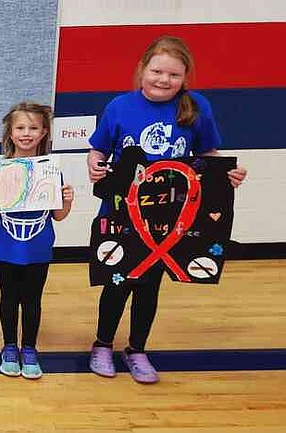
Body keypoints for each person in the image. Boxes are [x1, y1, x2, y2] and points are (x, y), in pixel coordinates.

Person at [86, 35, 248, 384]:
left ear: (185, 77)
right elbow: (98, 149)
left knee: (149, 285)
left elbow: (208, 156)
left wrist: (228, 173)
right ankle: (102, 345)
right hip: (122, 212)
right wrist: (95, 165)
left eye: (173, 75)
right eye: (157, 71)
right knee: (118, 281)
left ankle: (137, 349)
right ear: (142, 69)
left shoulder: (197, 106)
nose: (163, 80)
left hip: (169, 218)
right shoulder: (119, 106)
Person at [0, 102, 73, 379]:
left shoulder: (52, 171)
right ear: (10, 132)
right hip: (6, 248)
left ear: (44, 132)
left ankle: (29, 348)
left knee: (32, 300)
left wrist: (67, 200)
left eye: (33, 128)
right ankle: (9, 347)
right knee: (8, 298)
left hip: (39, 248)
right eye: (20, 127)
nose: (26, 133)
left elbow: (59, 215)